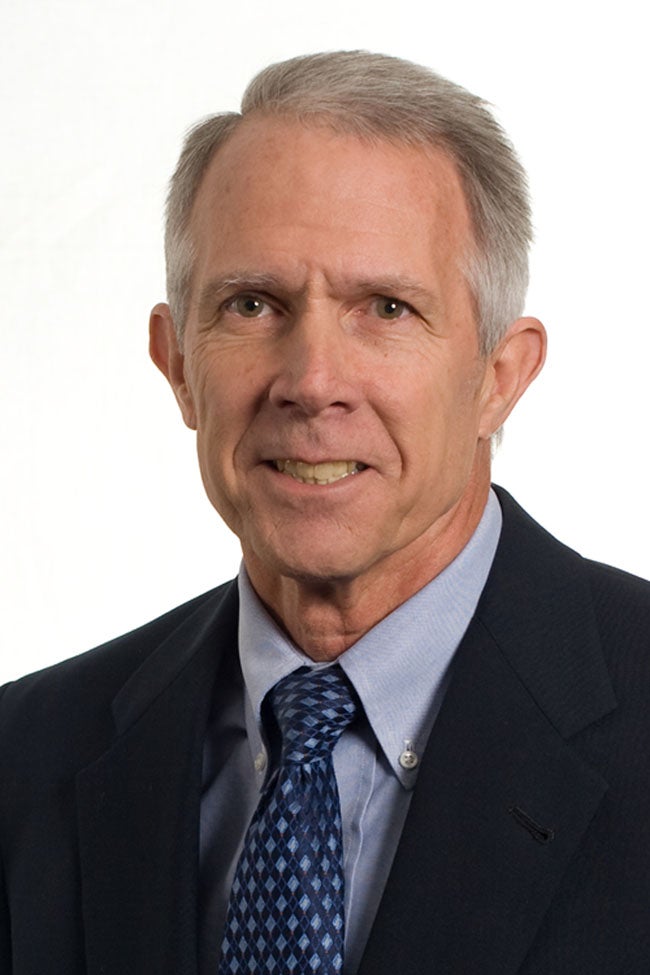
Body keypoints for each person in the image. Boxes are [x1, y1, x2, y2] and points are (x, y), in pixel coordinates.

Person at [1, 50, 649, 975]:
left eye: (386, 307)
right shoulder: (24, 758)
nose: (311, 382)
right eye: (253, 303)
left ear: (499, 379)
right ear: (178, 362)